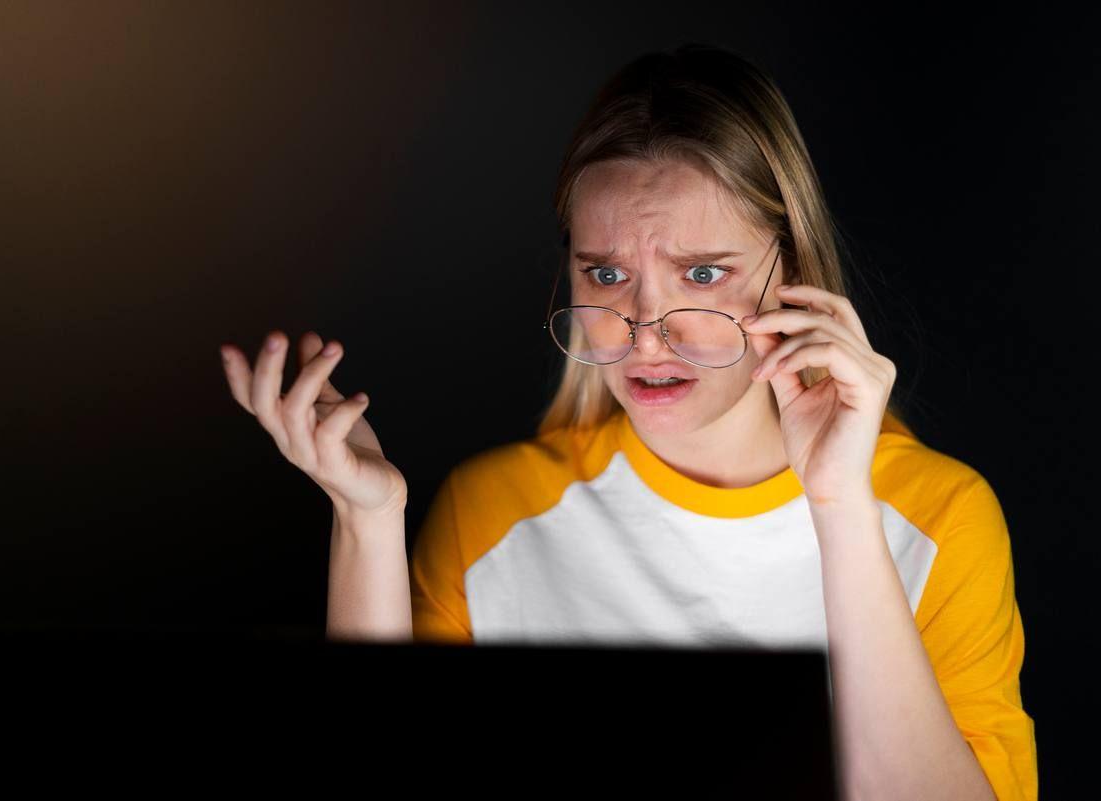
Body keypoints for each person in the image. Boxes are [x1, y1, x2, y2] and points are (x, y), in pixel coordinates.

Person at [219, 43, 1036, 801]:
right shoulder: (493, 512)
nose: (647, 328)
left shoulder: (938, 518)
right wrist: (366, 522)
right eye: (606, 273)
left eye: (703, 272)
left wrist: (839, 506)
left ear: (789, 270)